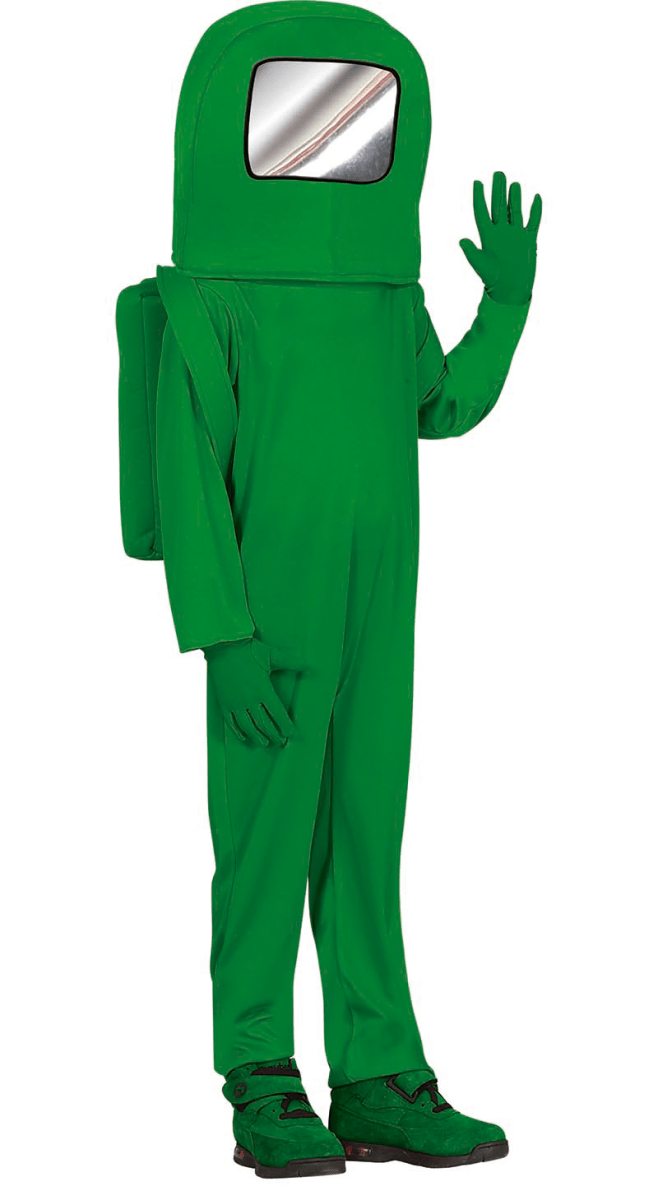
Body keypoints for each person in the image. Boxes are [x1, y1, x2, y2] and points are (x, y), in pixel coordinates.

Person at [121, 2, 541, 1177]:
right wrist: (224, 636)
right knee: (262, 842)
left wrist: (502, 312)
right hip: (268, 621)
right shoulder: (211, 302)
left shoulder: (384, 295)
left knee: (366, 835)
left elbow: (435, 407)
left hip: (378, 618)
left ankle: (376, 1074)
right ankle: (260, 1073)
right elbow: (187, 480)